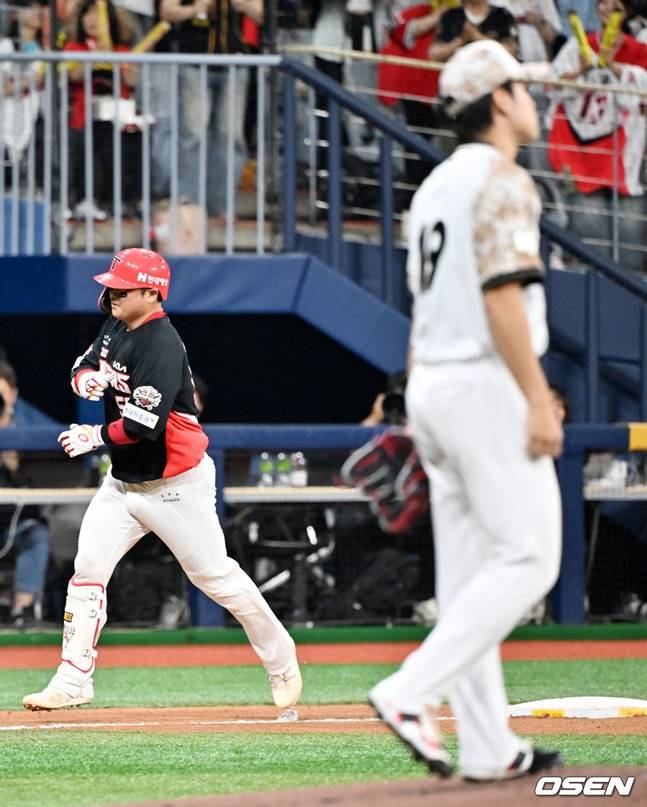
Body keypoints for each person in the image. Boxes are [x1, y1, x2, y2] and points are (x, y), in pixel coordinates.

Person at [368, 40, 564, 780]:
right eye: (522, 85)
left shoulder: (433, 187)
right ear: (500, 98)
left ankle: (489, 748)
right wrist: (536, 393)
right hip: (484, 381)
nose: (532, 98)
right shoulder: (503, 179)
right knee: (530, 557)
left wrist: (418, 399)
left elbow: (423, 305)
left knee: (466, 575)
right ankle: (411, 689)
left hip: (434, 381)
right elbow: (502, 293)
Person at [23, 248, 301, 714]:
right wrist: (87, 381)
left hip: (176, 484)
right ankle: (73, 680)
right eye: (110, 284)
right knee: (88, 570)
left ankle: (281, 659)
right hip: (124, 483)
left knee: (217, 578)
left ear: (151, 293)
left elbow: (140, 427)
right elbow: (81, 364)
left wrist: (93, 433)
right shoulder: (115, 323)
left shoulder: (161, 345)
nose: (110, 293)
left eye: (122, 287)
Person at [545, 0, 647, 271]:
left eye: (616, 7)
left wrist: (614, 68)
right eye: (603, 3)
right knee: (589, 226)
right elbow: (551, 86)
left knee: (629, 234)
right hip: (580, 156)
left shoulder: (639, 51)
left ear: (626, 14)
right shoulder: (579, 45)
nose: (607, 10)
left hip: (622, 158)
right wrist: (580, 70)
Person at [0, 362, 51, 627]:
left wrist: (12, 455)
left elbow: (49, 472)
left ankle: (22, 610)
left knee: (37, 533)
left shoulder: (29, 425)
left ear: (13, 394)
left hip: (17, 520)